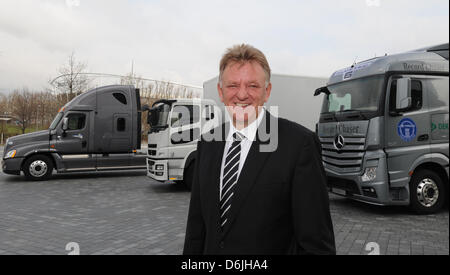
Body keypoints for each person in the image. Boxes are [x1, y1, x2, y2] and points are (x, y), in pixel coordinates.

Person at [183, 44, 336, 255]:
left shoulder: (299, 145)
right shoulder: (207, 143)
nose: (242, 94)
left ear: (267, 91)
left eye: (253, 86)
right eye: (233, 85)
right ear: (221, 91)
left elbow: (317, 245)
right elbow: (196, 231)